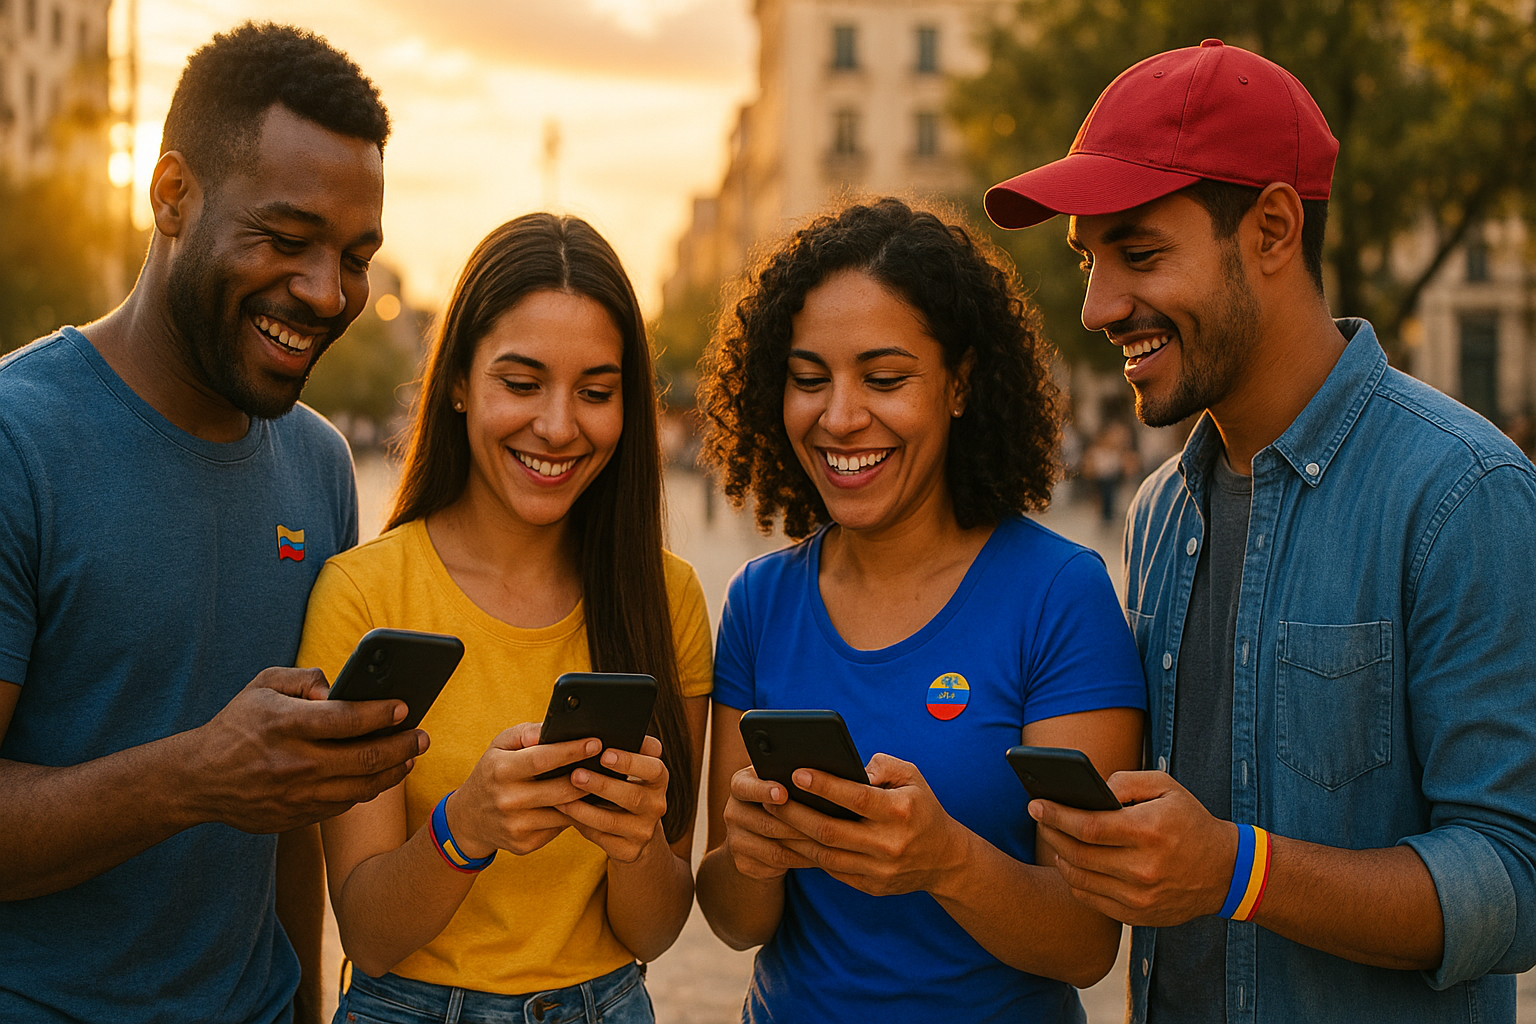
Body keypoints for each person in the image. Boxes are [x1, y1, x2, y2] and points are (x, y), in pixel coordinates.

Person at [984, 38, 1536, 1024]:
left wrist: (1242, 870)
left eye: (1139, 252)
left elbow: (1515, 876)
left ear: (1273, 228)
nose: (1099, 305)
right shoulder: (1158, 514)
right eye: (1088, 259)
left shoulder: (1464, 490)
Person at [0, 22, 418, 1024]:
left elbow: (288, 814)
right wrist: (193, 774)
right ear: (172, 196)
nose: (326, 292)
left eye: (354, 255)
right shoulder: (20, 441)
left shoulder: (318, 465)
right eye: (285, 239)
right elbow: (233, 777)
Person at [692, 197, 1146, 1023]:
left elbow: (1086, 943)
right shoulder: (759, 600)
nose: (839, 417)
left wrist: (946, 862)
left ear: (961, 384)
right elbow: (733, 920)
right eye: (808, 379)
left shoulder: (1059, 595)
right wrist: (751, 855)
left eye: (884, 378)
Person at [300, 213, 711, 1024]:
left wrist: (635, 842)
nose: (558, 426)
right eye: (521, 384)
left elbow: (655, 930)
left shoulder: (667, 598)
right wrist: (467, 825)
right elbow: (370, 935)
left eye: (595, 392)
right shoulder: (364, 595)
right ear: (458, 381)